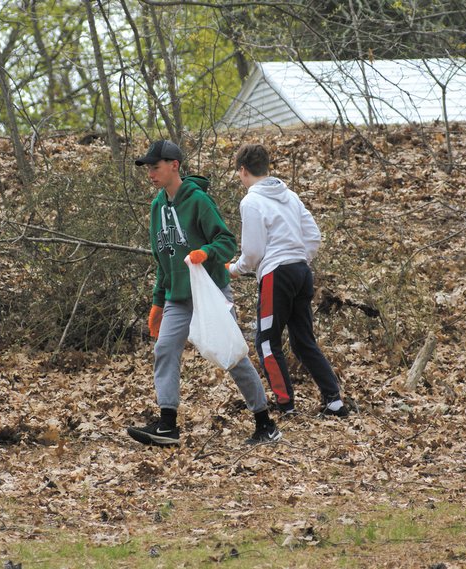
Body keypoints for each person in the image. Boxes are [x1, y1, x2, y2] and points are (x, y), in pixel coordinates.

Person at [126, 140, 281, 446]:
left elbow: (225, 240)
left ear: (174, 166)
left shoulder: (198, 200)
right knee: (165, 349)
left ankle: (265, 422)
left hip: (210, 291)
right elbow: (163, 258)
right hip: (177, 298)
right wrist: (158, 302)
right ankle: (167, 425)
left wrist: (206, 252)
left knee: (231, 354)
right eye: (148, 169)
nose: (151, 175)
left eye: (155, 168)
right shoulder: (157, 206)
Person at [229, 143, 348, 417]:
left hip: (276, 275)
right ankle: (334, 400)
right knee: (303, 340)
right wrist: (298, 257)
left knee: (267, 342)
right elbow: (313, 235)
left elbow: (254, 252)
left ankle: (286, 405)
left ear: (243, 171)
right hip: (301, 272)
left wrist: (235, 269)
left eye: (238, 173)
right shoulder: (290, 195)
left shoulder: (251, 201)